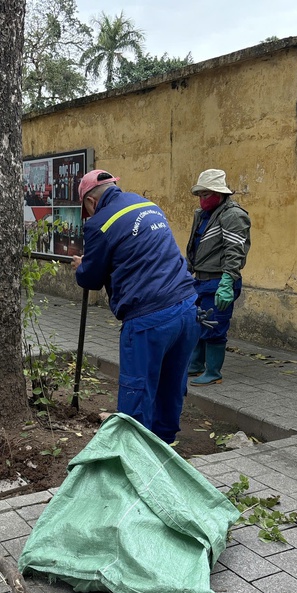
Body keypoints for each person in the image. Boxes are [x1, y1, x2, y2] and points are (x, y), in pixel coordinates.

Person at [71, 169, 200, 445]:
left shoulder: (100, 223)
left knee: (137, 390)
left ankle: (135, 454)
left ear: (90, 202)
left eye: (86, 210)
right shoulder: (148, 205)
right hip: (188, 307)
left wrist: (82, 267)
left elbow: (92, 278)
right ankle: (166, 444)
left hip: (149, 318)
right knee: (172, 384)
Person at [185, 169, 251, 385]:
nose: (203, 199)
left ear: (220, 193)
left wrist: (227, 282)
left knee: (215, 325)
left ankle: (214, 373)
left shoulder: (233, 215)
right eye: (200, 195)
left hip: (219, 280)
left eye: (207, 194)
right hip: (200, 279)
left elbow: (235, 251)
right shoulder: (203, 214)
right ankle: (196, 365)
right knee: (198, 322)